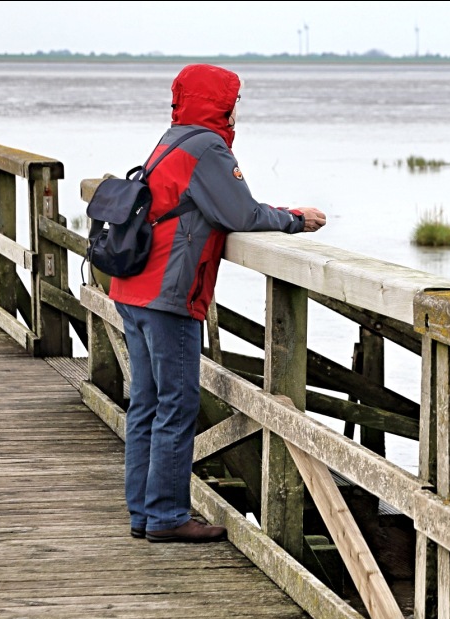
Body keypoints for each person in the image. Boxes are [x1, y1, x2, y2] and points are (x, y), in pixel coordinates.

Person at [109, 63, 326, 543]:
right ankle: (166, 516)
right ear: (219, 103)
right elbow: (240, 212)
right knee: (177, 404)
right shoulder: (208, 146)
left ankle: (143, 514)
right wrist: (294, 218)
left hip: (133, 290)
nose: (237, 111)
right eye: (234, 102)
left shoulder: (173, 137)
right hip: (168, 295)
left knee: (146, 403)